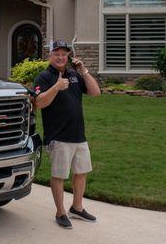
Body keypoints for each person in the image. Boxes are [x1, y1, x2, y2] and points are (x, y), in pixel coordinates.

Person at [33, 39, 101, 229]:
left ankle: (77, 208)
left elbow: (96, 92)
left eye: (64, 54)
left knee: (81, 173)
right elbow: (38, 103)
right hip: (58, 137)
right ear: (50, 56)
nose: (61, 57)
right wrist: (55, 87)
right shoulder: (44, 77)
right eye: (57, 54)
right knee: (59, 176)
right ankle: (60, 212)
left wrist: (84, 71)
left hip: (79, 135)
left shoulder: (74, 74)